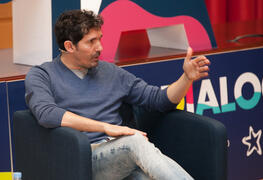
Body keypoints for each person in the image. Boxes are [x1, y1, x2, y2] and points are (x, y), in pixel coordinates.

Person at [25, 9, 210, 180]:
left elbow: (158, 100)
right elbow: (47, 114)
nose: (100, 47)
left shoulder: (111, 72)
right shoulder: (42, 75)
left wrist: (186, 78)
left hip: (122, 155)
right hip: (82, 158)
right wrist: (106, 127)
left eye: (100, 38)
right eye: (91, 41)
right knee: (135, 142)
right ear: (70, 46)